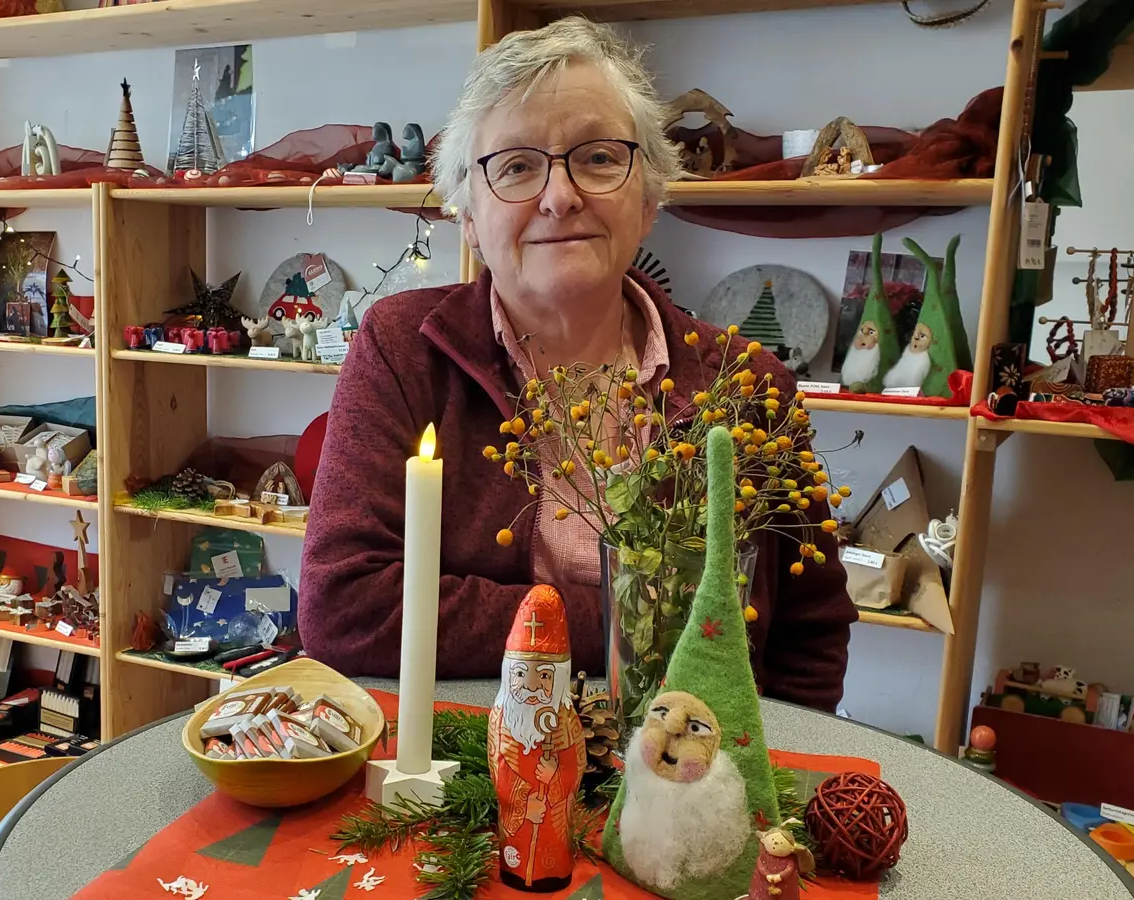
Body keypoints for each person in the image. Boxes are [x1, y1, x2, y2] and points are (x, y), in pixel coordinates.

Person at [298, 17, 855, 711]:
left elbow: (810, 631)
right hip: (462, 767)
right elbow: (345, 607)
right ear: (468, 218)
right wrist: (640, 628)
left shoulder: (745, 387)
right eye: (517, 166)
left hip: (690, 776)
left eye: (597, 158)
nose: (560, 197)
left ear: (649, 198)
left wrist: (766, 768)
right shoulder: (403, 346)